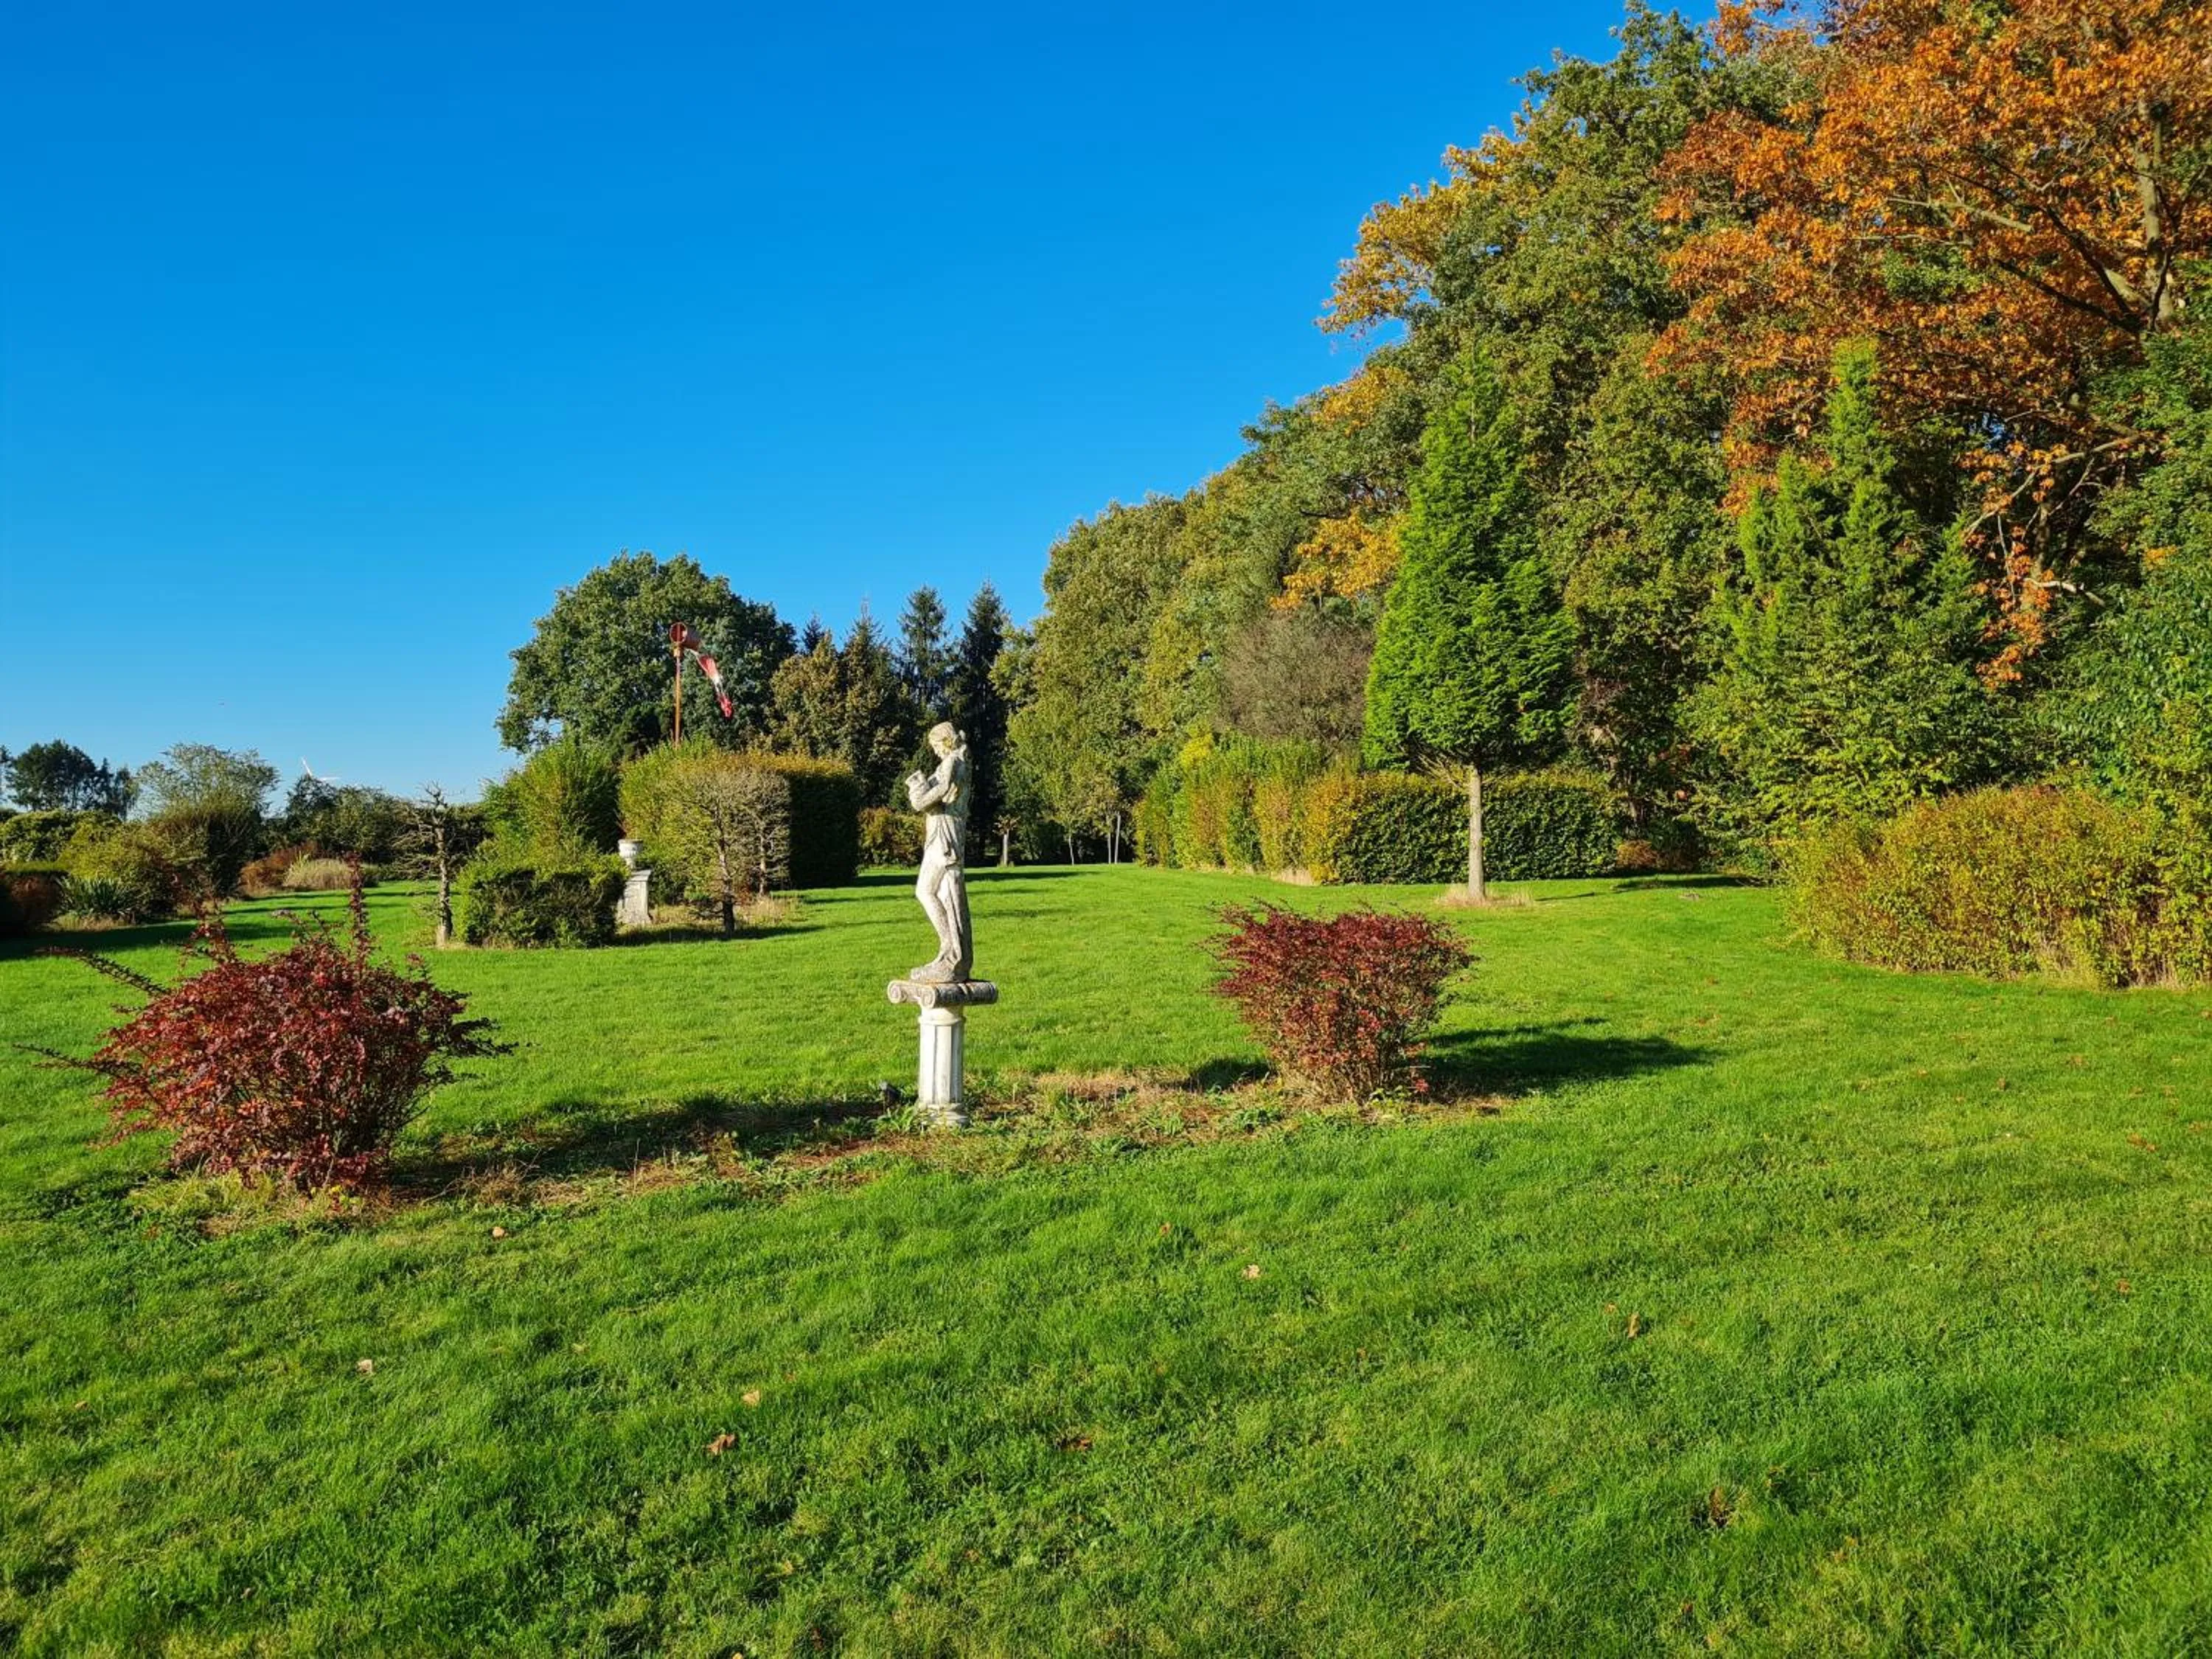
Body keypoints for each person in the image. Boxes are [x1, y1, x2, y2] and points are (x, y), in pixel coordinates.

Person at [904, 722, 973, 982]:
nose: (933, 751)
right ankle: (951, 954)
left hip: (945, 837)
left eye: (934, 745)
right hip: (942, 834)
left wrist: (919, 794)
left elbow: (933, 797)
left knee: (929, 891)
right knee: (942, 894)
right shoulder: (955, 762)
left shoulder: (952, 763)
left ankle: (951, 954)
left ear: (944, 742)